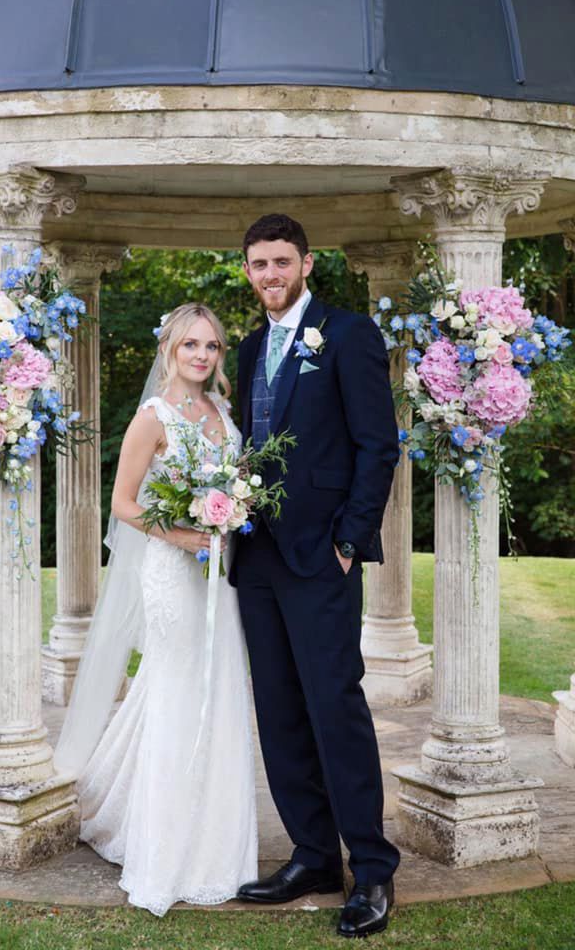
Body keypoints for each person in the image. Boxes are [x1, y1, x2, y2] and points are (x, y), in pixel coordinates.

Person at [54, 303, 257, 917]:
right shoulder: (153, 417)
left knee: (220, 688)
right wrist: (184, 533)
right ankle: (165, 848)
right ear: (170, 348)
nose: (202, 355)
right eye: (191, 344)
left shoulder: (223, 411)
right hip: (173, 572)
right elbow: (122, 504)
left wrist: (230, 511)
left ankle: (219, 842)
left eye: (213, 347)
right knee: (176, 689)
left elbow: (237, 482)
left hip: (219, 574)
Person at [231, 214, 400, 939]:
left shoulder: (349, 333)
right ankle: (311, 855)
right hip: (256, 554)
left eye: (281, 262)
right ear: (247, 271)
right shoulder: (243, 350)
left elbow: (377, 444)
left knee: (335, 706)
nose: (270, 275)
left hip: (322, 553)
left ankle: (371, 866)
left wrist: (351, 539)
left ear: (306, 263)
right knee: (279, 708)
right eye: (259, 264)